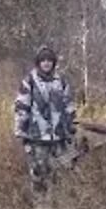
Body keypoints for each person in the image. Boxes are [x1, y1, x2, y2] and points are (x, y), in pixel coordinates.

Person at [13, 45, 77, 195]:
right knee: (39, 174)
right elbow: (21, 108)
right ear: (38, 62)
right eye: (43, 60)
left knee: (62, 171)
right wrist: (21, 133)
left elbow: (69, 106)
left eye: (49, 60)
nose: (46, 63)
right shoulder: (29, 81)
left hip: (59, 136)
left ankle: (59, 204)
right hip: (37, 137)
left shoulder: (61, 81)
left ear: (53, 62)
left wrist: (71, 128)